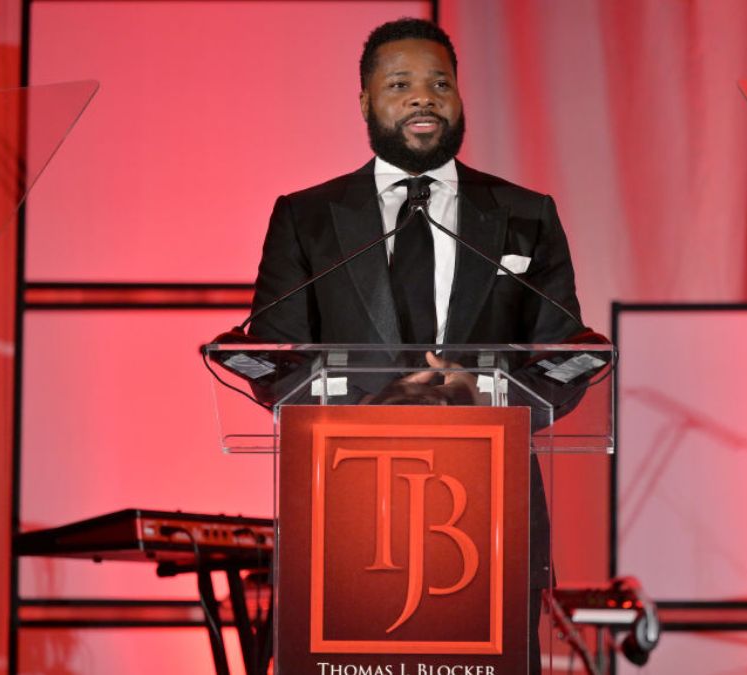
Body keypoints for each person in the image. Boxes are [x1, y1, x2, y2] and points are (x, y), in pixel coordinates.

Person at [239, 18, 592, 673]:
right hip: (347, 511)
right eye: (400, 84)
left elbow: (567, 357)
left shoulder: (525, 213)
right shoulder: (307, 217)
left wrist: (485, 394)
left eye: (440, 84)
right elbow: (271, 361)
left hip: (489, 515)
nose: (424, 97)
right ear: (366, 101)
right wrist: (375, 408)